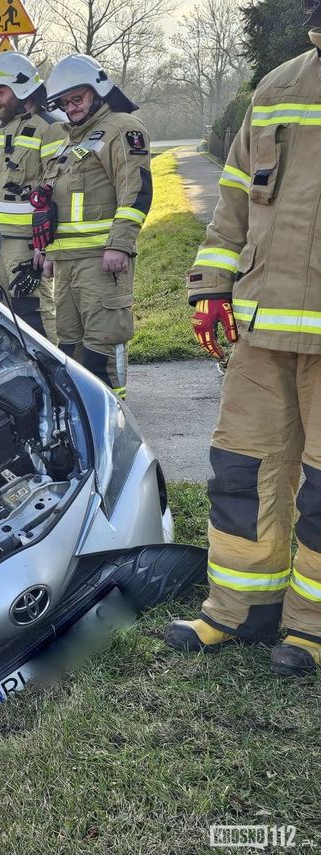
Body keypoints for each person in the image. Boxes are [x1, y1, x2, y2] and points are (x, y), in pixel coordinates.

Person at [165, 9, 321, 676]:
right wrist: (210, 286)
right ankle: (239, 609)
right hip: (262, 329)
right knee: (242, 470)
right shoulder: (280, 86)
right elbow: (233, 200)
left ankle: (311, 630)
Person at [32, 54, 152, 399]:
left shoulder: (121, 128)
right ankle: (84, 418)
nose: (71, 108)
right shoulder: (72, 140)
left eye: (77, 98)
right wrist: (52, 252)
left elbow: (137, 189)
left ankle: (115, 416)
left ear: (97, 92)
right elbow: (59, 203)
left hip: (102, 261)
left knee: (104, 343)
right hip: (68, 262)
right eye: (65, 102)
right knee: (71, 347)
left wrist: (120, 244)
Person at [0, 51, 66, 342]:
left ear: (22, 87)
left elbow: (58, 188)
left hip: (26, 245)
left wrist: (46, 245)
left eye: (1, 92)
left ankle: (55, 377)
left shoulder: (51, 128)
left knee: (33, 312)